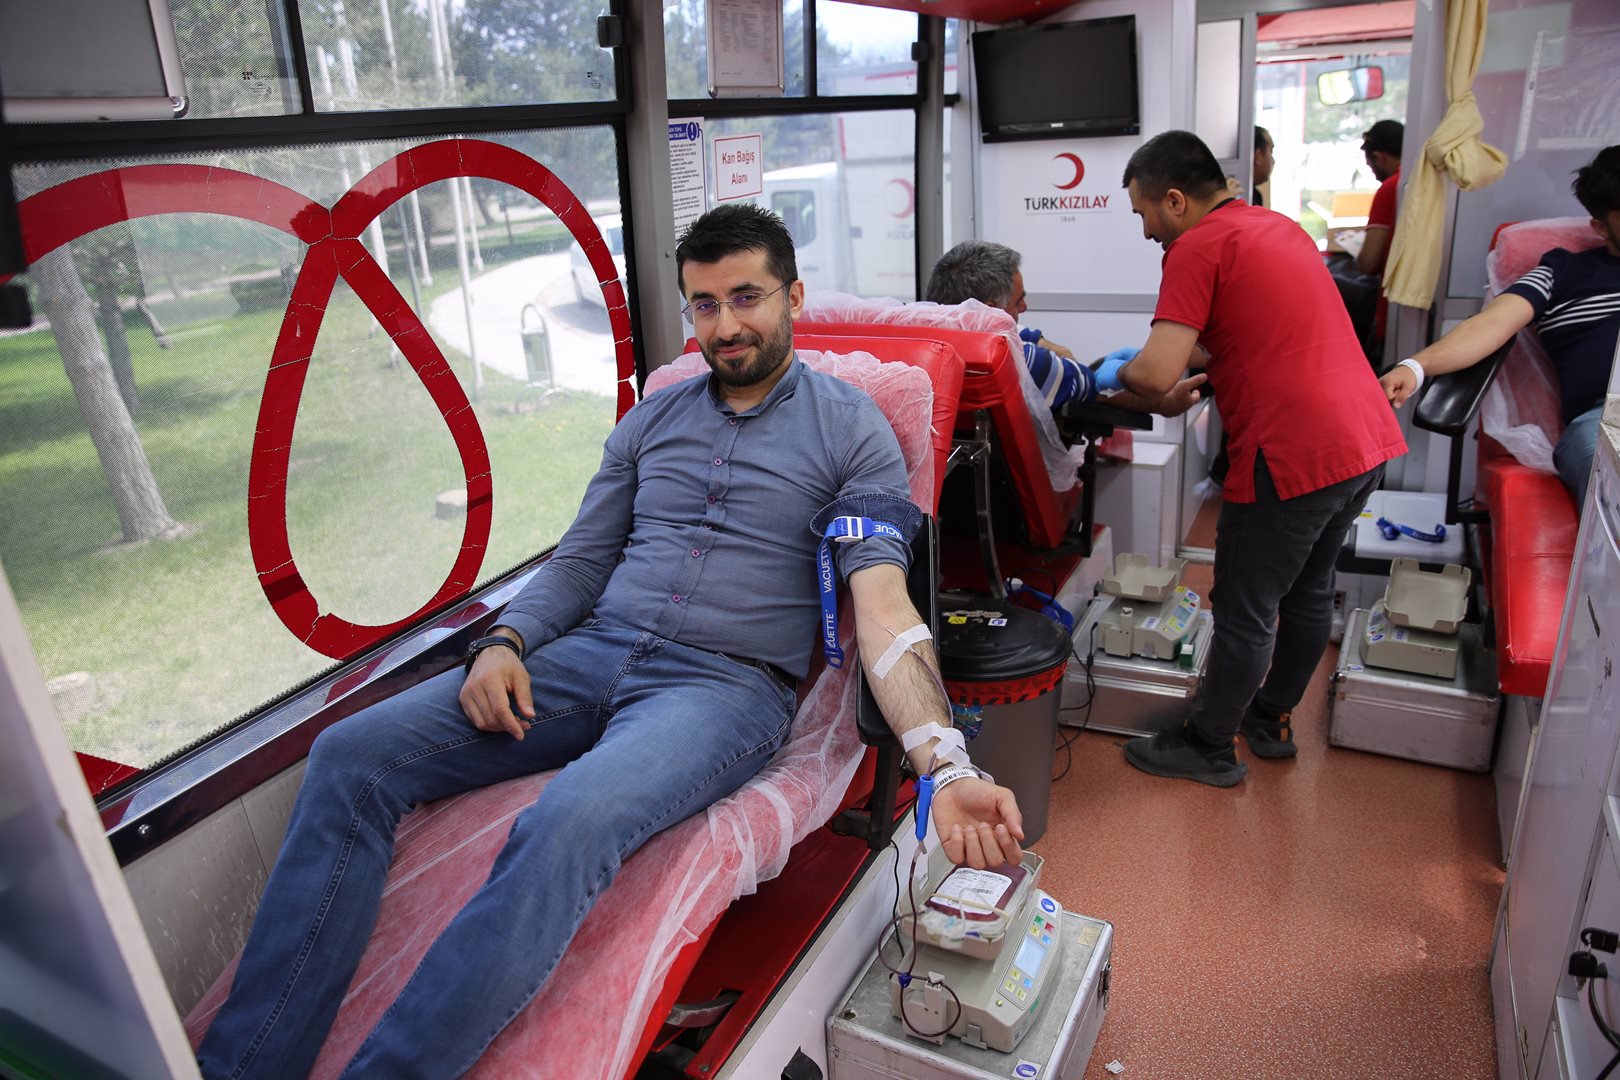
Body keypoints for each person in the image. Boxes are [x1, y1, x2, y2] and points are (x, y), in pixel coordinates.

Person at [196, 203, 1025, 1080]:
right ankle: (242, 1067)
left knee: (569, 821)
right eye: (704, 304)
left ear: (792, 296)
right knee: (349, 756)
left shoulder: (855, 431)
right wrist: (504, 641)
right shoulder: (651, 420)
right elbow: (582, 561)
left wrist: (946, 764)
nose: (725, 325)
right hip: (591, 654)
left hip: (720, 690)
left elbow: (885, 607)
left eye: (747, 297)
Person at [1094, 130, 1406, 786]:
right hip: (1363, 439)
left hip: (1292, 452)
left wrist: (1113, 375)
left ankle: (1209, 745)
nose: (1145, 230)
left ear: (1174, 200)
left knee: (1245, 605)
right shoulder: (1276, 227)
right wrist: (1174, 372)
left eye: (1143, 213)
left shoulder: (1195, 246)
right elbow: (1243, 336)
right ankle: (1270, 717)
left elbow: (1157, 374)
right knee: (1310, 588)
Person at [1381, 145, 1620, 507]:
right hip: (1605, 422)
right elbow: (1492, 323)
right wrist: (1416, 366)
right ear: (1601, 226)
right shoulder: (1563, 273)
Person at [924, 239, 1097, 408]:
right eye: (1018, 301)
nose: (1024, 307)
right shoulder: (1021, 360)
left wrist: (1036, 339)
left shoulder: (919, 342)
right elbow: (1085, 381)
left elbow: (1012, 332)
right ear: (989, 311)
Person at [1356, 119, 1404, 278]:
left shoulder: (1391, 187)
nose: (1374, 175)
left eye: (1370, 166)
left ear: (1379, 157)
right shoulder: (1423, 181)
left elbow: (1369, 263)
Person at [1252, 126, 1275, 208]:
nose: (1273, 161)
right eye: (1271, 151)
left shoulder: (1255, 196)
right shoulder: (1238, 197)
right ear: (1258, 156)